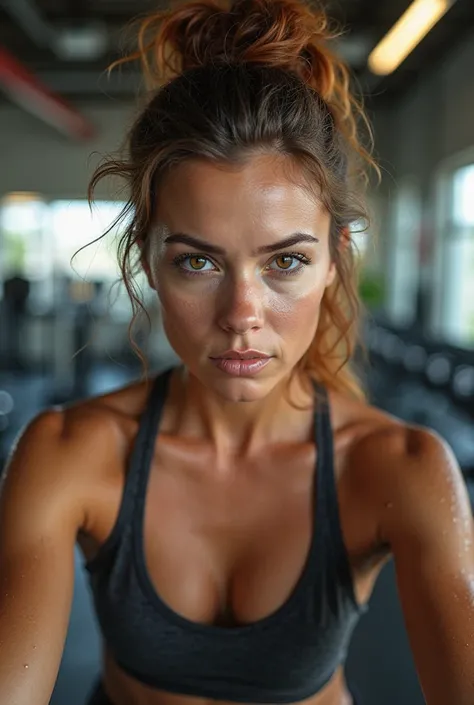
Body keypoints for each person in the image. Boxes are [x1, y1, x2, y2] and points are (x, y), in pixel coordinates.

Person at [1, 1, 473, 704]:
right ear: (148, 260)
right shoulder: (72, 451)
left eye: (285, 262)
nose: (241, 316)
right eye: (198, 263)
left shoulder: (396, 469)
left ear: (335, 261)